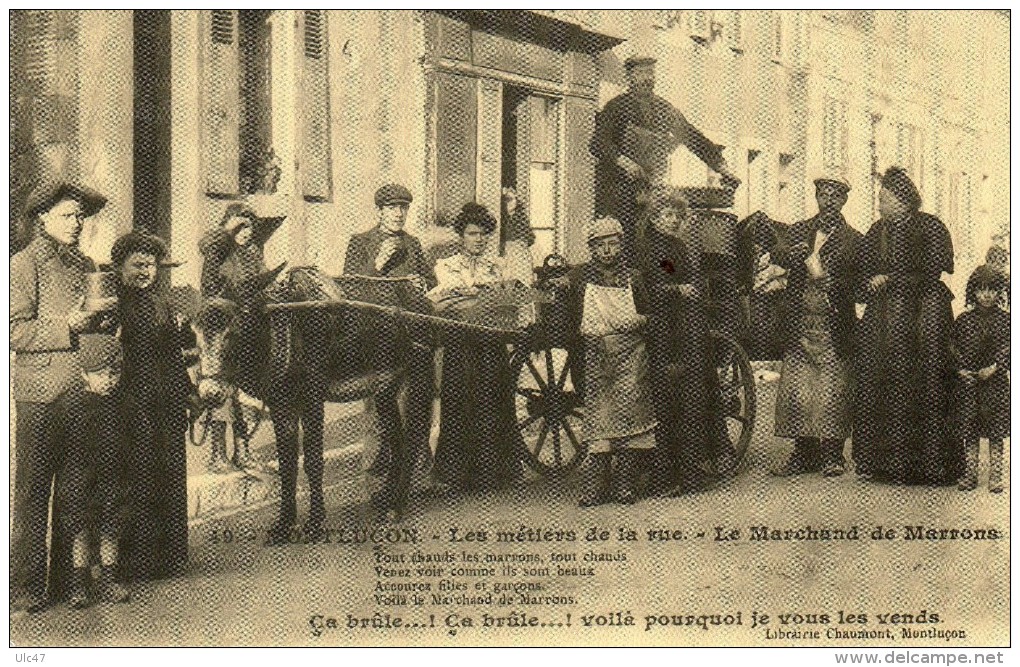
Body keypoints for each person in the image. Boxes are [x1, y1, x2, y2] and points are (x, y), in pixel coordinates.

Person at [10, 181, 114, 613]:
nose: (77, 223)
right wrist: (68, 325)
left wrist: (105, 329)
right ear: (43, 219)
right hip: (39, 394)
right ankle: (26, 588)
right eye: (68, 215)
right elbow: (14, 330)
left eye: (79, 216)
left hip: (79, 391)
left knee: (75, 491)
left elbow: (93, 331)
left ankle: (63, 583)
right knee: (33, 492)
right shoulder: (23, 264)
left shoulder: (85, 264)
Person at [852, 167, 958, 485]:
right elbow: (863, 267)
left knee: (924, 381)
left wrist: (892, 278)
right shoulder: (876, 231)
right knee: (879, 380)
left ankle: (930, 464)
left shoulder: (931, 226)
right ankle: (884, 462)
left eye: (883, 199)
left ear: (902, 200)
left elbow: (935, 268)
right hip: (884, 317)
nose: (879, 205)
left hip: (923, 312)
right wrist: (868, 282)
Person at [344, 184, 437, 521]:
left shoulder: (413, 244)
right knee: (378, 414)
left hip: (412, 336)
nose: (398, 213)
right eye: (392, 207)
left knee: (414, 410)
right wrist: (378, 265)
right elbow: (351, 288)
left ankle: (412, 482)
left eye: (403, 208)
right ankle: (376, 484)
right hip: (375, 338)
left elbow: (431, 281)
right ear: (379, 211)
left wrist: (421, 285)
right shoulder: (361, 242)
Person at [590, 55, 738, 264]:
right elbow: (598, 143)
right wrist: (624, 162)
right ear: (629, 77)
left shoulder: (663, 109)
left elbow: (692, 137)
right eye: (641, 74)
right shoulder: (616, 107)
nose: (647, 79)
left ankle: (657, 284)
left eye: (650, 74)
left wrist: (723, 168)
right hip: (616, 189)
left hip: (648, 188)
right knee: (622, 244)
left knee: (655, 243)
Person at [111, 231, 193, 581]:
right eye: (137, 264)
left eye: (151, 265)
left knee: (168, 473)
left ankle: (167, 557)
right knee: (136, 476)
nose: (145, 271)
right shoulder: (112, 303)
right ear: (120, 267)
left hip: (166, 400)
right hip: (130, 401)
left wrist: (189, 394)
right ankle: (132, 561)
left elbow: (174, 353)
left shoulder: (162, 304)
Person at [636, 186, 728, 494]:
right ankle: (676, 472)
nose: (673, 220)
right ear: (654, 217)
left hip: (683, 326)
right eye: (667, 214)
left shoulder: (672, 244)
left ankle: (686, 470)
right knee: (677, 399)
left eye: (678, 215)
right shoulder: (656, 247)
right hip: (669, 329)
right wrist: (680, 289)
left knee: (689, 397)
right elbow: (663, 279)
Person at [770, 177, 862, 478]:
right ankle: (802, 452)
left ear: (844, 201)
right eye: (824, 195)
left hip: (834, 324)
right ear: (816, 197)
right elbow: (776, 253)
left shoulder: (854, 240)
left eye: (836, 196)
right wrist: (790, 255)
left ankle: (832, 455)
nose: (829, 201)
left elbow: (862, 287)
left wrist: (839, 284)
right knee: (798, 390)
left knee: (832, 389)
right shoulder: (800, 230)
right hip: (799, 320)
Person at [427, 203, 522, 493]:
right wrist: (483, 295)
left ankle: (493, 473)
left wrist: (479, 295)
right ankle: (458, 474)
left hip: (490, 345)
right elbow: (446, 301)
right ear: (461, 235)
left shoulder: (497, 265)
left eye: (483, 234)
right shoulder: (446, 265)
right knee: (460, 404)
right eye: (472, 233)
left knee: (492, 402)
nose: (478, 239)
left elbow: (506, 299)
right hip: (460, 346)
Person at [569, 217, 656, 506]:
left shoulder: (634, 277)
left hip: (632, 353)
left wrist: (639, 320)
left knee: (630, 412)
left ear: (620, 245)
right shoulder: (581, 278)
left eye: (612, 244)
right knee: (600, 415)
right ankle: (596, 483)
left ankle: (625, 482)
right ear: (591, 249)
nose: (607, 251)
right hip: (597, 353)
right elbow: (570, 314)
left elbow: (651, 316)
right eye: (599, 246)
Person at [199, 202, 285, 469]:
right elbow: (211, 286)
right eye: (241, 226)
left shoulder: (253, 254)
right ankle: (217, 454)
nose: (247, 232)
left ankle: (243, 450)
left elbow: (263, 284)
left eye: (250, 226)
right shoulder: (218, 253)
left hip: (247, 333)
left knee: (245, 396)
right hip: (221, 332)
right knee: (221, 392)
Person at [59, 334, 132, 607]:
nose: (110, 380)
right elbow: (61, 446)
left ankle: (109, 581)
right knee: (80, 532)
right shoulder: (72, 405)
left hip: (113, 478)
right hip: (80, 479)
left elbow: (131, 437)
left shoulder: (122, 403)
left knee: (110, 530)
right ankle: (79, 585)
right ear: (84, 374)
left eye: (115, 373)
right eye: (102, 374)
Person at [953, 265, 1009, 493]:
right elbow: (952, 348)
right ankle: (970, 475)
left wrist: (996, 367)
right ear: (972, 292)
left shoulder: (1007, 320)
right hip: (970, 385)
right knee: (970, 431)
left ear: (1000, 293)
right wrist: (960, 371)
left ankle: (995, 477)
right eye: (981, 290)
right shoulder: (963, 320)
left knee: (996, 433)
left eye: (992, 290)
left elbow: (1011, 348)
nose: (986, 295)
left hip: (995, 385)